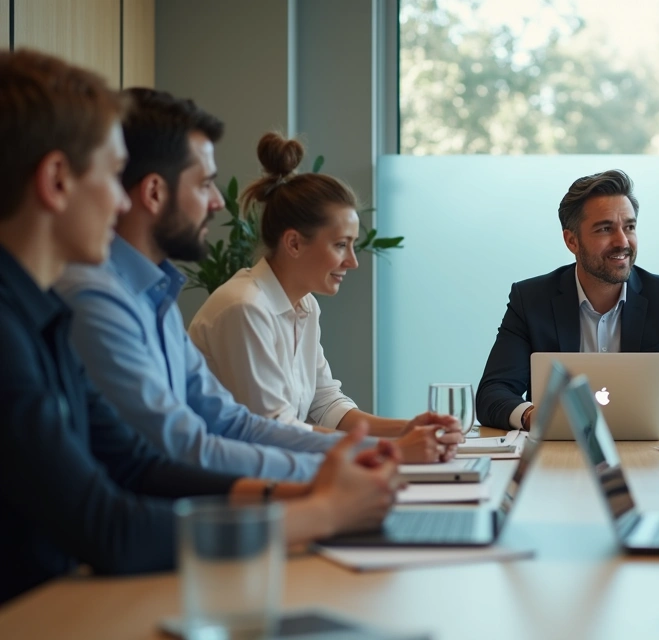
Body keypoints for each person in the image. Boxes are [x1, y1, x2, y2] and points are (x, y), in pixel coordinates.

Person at [0, 49, 395, 606]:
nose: (120, 202)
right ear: (57, 181)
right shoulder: (56, 308)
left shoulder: (47, 311)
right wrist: (316, 509)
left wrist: (314, 484)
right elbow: (109, 523)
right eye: (114, 176)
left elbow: (140, 463)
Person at [54, 88, 459, 481]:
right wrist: (373, 456)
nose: (217, 201)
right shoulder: (106, 297)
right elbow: (189, 448)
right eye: (204, 183)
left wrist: (393, 440)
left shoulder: (153, 296)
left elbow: (237, 424)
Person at [189, 133, 441, 439]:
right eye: (340, 245)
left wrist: (408, 429)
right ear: (294, 243)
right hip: (232, 481)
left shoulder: (305, 305)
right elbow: (274, 428)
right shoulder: (245, 307)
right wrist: (390, 450)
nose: (352, 261)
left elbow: (326, 404)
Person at [475, 169, 659, 430]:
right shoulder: (531, 299)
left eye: (630, 227)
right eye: (605, 229)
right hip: (555, 458)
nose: (622, 241)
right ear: (572, 241)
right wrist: (532, 416)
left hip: (645, 458)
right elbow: (493, 393)